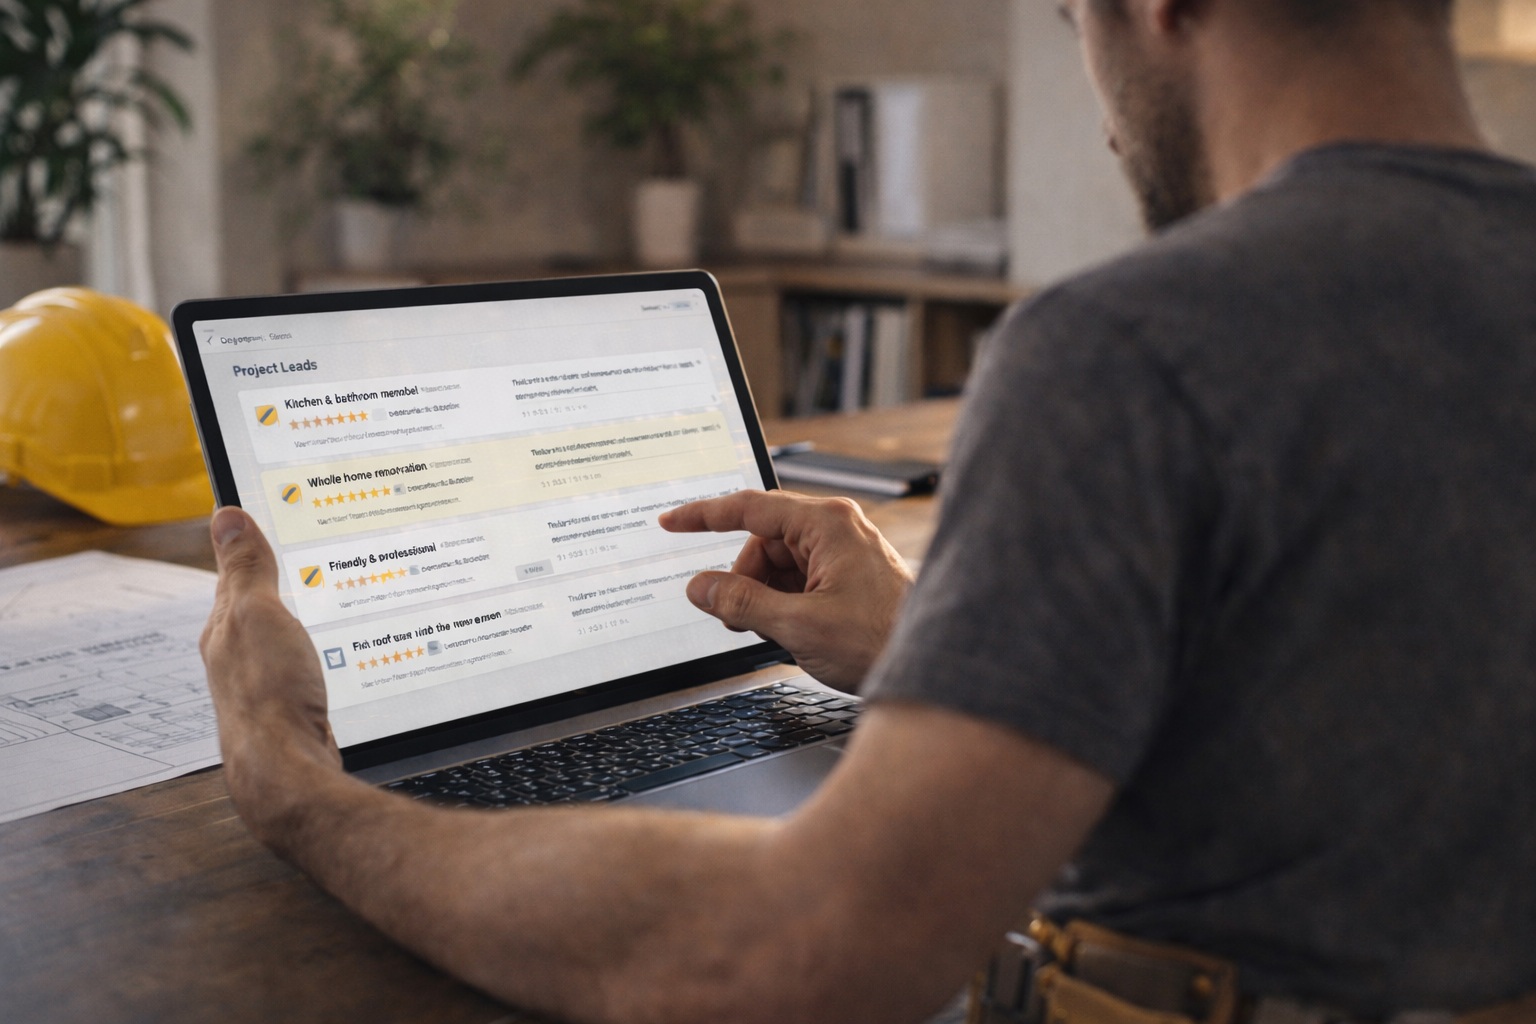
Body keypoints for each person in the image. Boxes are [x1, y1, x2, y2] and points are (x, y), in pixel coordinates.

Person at [199, 0, 1536, 1021]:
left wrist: (295, 781)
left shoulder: (1132, 351)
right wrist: (950, 647)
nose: (1104, 108)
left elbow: (794, 957)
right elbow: (1387, 676)